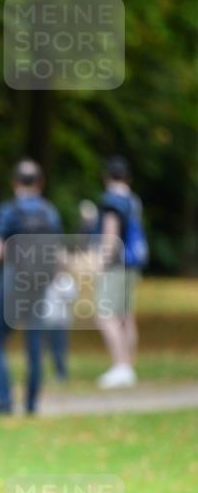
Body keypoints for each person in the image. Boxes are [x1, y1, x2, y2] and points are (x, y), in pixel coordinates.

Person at [0, 159, 62, 415]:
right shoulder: (50, 212)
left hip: (13, 278)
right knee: (35, 342)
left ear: (15, 182)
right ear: (40, 183)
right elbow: (58, 254)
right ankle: (31, 404)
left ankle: (4, 401)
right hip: (39, 281)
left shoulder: (9, 210)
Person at [95, 155, 146, 388]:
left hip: (116, 264)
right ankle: (128, 366)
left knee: (105, 314)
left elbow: (110, 235)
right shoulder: (133, 200)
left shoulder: (111, 200)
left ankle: (120, 366)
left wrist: (101, 262)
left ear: (107, 176)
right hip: (133, 263)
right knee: (126, 316)